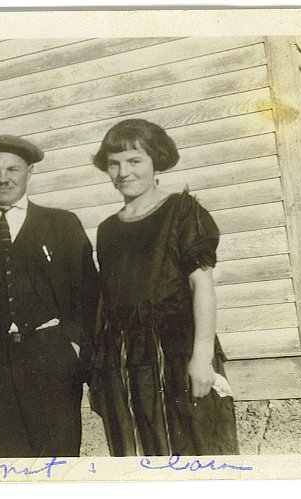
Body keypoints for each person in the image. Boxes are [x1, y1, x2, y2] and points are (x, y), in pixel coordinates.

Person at [90, 118, 239, 456]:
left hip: (177, 353)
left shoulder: (182, 211)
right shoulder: (107, 230)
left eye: (134, 160)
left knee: (192, 448)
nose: (123, 172)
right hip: (126, 361)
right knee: (137, 453)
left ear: (155, 160)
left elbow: (202, 286)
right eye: (114, 163)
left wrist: (202, 358)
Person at [0, 135, 99, 457]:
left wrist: (74, 347)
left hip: (52, 360)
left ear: (29, 172)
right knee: (8, 463)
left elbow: (88, 295)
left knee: (58, 461)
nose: (2, 178)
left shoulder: (61, 224)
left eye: (12, 169)